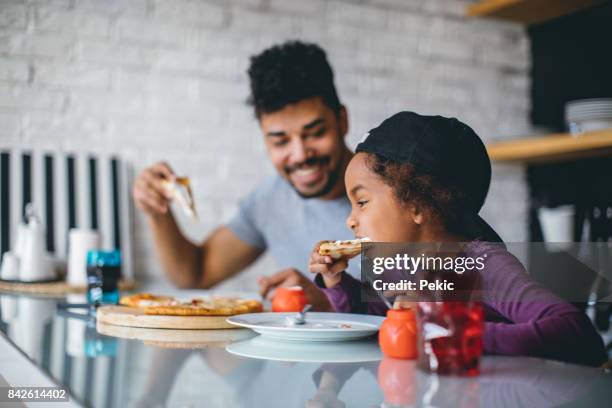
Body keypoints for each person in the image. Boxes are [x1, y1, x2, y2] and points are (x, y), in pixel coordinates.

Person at [309, 111, 606, 366]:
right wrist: (337, 282)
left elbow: (577, 334)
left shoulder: (485, 265)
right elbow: (370, 324)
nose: (350, 221)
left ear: (415, 203)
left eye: (361, 202)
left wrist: (450, 328)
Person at [133, 41, 356, 310]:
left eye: (316, 133)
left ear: (342, 121)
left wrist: (331, 301)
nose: (299, 155)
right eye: (280, 141)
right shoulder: (270, 200)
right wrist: (158, 212)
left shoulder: (397, 194)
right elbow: (195, 273)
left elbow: (417, 307)